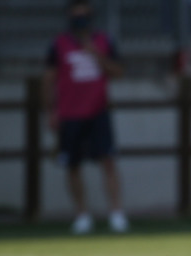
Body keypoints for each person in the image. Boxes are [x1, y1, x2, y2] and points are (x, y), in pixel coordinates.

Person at [42, 0, 129, 235]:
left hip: (98, 111)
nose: (80, 21)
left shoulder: (103, 41)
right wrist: (51, 111)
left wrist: (95, 54)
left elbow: (119, 72)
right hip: (70, 114)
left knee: (108, 162)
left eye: (84, 16)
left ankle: (116, 214)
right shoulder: (58, 44)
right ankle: (82, 215)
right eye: (75, 16)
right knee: (72, 165)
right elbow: (48, 79)